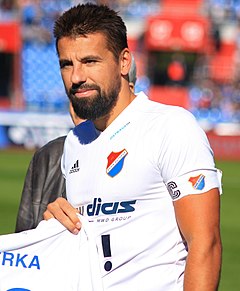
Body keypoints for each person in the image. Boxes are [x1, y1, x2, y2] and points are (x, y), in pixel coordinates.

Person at [44, 3, 222, 290]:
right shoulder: (75, 143)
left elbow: (206, 243)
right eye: (67, 64)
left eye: (90, 61)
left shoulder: (172, 126)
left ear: (124, 62)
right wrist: (57, 224)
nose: (76, 77)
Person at [15, 60, 137, 233]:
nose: (83, 104)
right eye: (76, 94)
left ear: (128, 89)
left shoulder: (152, 147)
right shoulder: (49, 156)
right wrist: (48, 230)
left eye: (92, 92)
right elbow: (24, 244)